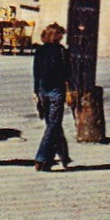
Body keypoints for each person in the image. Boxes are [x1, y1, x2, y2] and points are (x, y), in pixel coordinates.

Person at [32, 22, 72, 171]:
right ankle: (41, 157)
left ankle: (63, 156)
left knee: (53, 125)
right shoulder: (62, 51)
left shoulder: (40, 51)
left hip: (42, 90)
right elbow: (68, 73)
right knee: (53, 125)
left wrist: (35, 91)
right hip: (56, 90)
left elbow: (36, 72)